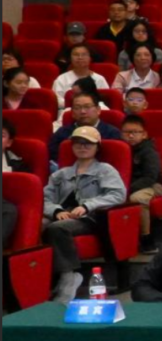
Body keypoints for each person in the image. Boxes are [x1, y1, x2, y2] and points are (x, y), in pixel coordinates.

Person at [41, 127, 127, 303]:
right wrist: (56, 210)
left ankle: (68, 277)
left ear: (97, 147)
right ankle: (41, 282)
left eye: (88, 143)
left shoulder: (105, 170)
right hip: (63, 215)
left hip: (91, 218)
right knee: (40, 225)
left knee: (58, 228)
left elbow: (118, 195)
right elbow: (43, 199)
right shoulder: (60, 174)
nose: (82, 147)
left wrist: (88, 206)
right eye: (78, 143)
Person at [119, 115, 162, 253]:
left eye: (135, 132)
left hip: (152, 185)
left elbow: (150, 177)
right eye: (127, 132)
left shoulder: (148, 151)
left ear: (144, 134)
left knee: (137, 199)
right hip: (126, 186)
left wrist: (127, 190)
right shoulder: (120, 149)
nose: (131, 136)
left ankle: (147, 240)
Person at [48, 92, 123, 163]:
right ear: (72, 112)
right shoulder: (62, 132)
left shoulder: (112, 133)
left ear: (98, 110)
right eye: (77, 108)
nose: (83, 111)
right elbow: (53, 155)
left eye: (87, 107)